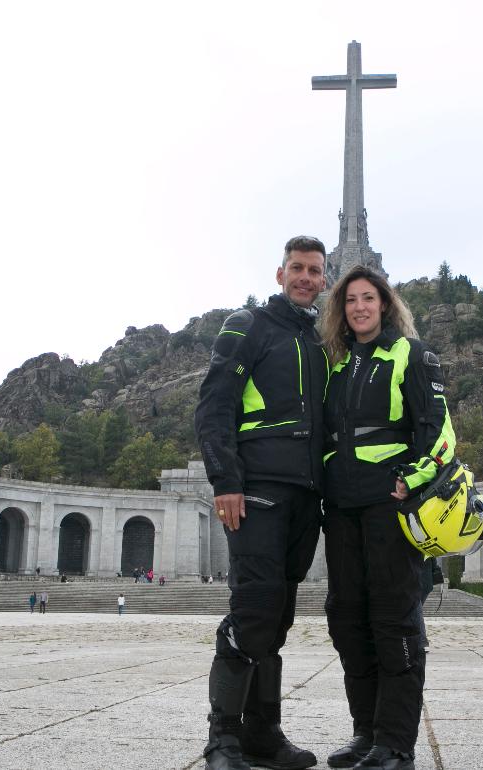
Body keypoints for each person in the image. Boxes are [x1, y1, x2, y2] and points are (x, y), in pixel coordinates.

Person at [194, 236, 330, 770]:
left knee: (278, 619)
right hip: (254, 491)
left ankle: (264, 734)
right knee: (252, 612)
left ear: (324, 279)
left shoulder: (322, 341)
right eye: (297, 268)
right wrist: (225, 479)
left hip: (305, 497)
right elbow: (215, 404)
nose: (305, 277)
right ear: (280, 274)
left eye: (314, 271)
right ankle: (222, 738)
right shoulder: (248, 324)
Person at [320, 265, 455, 770]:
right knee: (347, 617)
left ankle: (396, 745)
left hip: (390, 507)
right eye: (351, 299)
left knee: (394, 620)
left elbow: (441, 434)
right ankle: (366, 733)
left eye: (368, 298)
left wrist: (414, 480)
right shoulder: (336, 366)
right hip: (342, 509)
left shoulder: (413, 355)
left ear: (385, 304)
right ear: (342, 309)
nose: (359, 307)